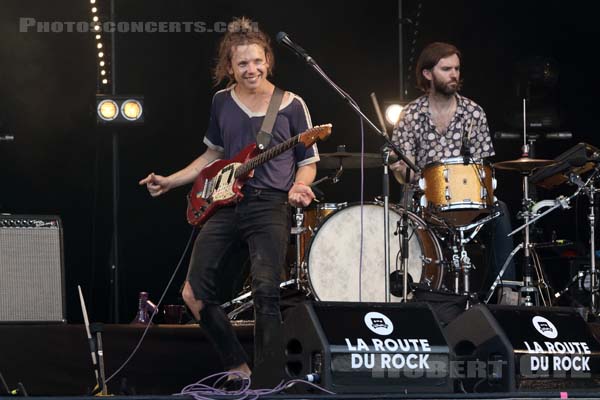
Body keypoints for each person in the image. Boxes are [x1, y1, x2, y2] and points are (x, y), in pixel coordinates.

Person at [139, 17, 319, 386]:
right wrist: (171, 181)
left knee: (267, 290)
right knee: (193, 292)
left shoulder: (290, 104)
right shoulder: (221, 101)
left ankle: (271, 382)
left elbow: (308, 162)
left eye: (257, 61)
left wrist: (300, 187)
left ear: (268, 59)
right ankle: (239, 368)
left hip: (270, 203)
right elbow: (212, 156)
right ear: (229, 67)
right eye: (242, 64)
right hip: (224, 204)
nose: (251, 69)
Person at [390, 42, 516, 298]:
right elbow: (401, 171)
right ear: (427, 74)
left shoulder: (474, 113)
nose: (454, 75)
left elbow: (484, 167)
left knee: (499, 210)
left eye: (456, 69)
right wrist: (407, 172)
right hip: (422, 200)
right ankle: (408, 290)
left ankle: (505, 291)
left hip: (467, 199)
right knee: (397, 213)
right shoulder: (411, 114)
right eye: (446, 69)